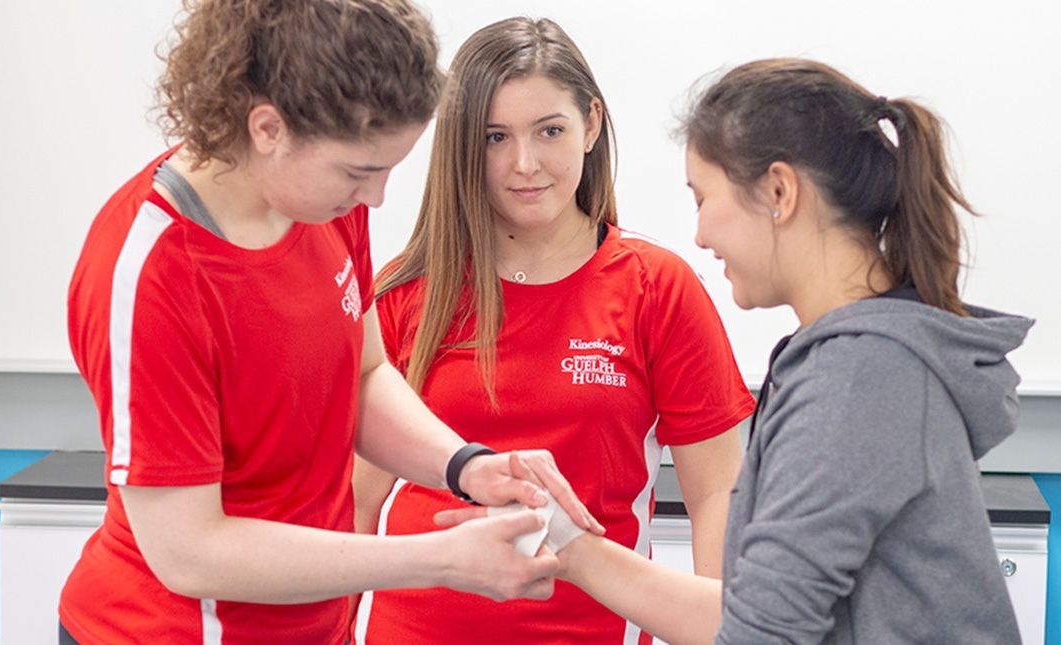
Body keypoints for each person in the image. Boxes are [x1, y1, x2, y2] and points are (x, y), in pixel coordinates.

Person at [58, 2, 603, 643]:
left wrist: (465, 466)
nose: (375, 198)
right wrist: (437, 559)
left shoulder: (325, 202)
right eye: (359, 173)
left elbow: (365, 375)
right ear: (269, 129)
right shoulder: (154, 273)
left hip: (311, 623)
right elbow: (190, 553)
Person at [454, 58, 1029, 644]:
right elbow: (755, 612)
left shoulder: (857, 381)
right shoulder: (855, 363)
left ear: (780, 192)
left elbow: (759, 635)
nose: (701, 234)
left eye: (703, 198)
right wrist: (570, 544)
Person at [351, 17, 755, 644]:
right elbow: (356, 501)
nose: (525, 164)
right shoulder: (406, 291)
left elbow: (715, 495)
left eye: (550, 131)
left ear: (591, 125)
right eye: (495, 137)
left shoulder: (657, 289)